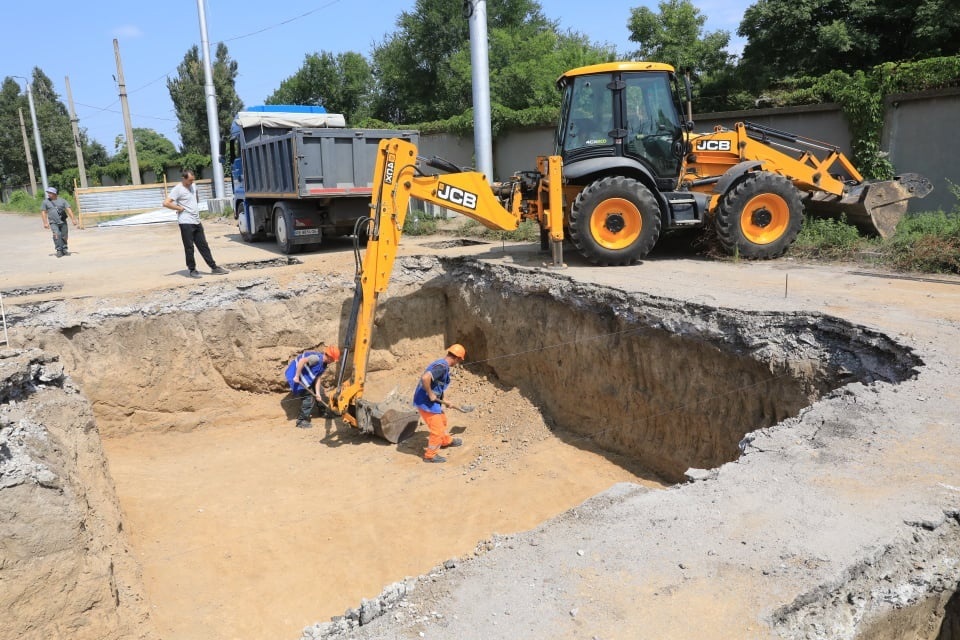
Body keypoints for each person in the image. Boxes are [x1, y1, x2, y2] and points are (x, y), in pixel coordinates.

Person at [163, 170, 229, 278]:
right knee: (189, 247)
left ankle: (214, 267)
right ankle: (192, 269)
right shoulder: (178, 189)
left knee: (204, 246)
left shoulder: (194, 186)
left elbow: (195, 199)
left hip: (196, 221)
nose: (191, 182)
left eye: (193, 180)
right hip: (185, 222)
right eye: (189, 180)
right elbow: (166, 203)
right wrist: (179, 208)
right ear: (183, 178)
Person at [412, 344, 466, 463]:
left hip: (431, 401)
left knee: (442, 420)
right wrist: (431, 394)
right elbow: (425, 378)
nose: (458, 363)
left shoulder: (442, 365)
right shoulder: (441, 366)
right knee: (437, 429)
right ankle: (430, 455)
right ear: (456, 358)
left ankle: (446, 441)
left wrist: (444, 401)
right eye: (459, 361)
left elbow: (437, 387)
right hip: (425, 402)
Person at [284, 345, 341, 429]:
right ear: (328, 356)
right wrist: (296, 376)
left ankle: (323, 412)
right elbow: (302, 361)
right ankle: (301, 420)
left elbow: (317, 378)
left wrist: (318, 394)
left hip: (307, 377)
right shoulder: (316, 358)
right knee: (309, 398)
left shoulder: (324, 364)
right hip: (297, 376)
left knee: (320, 392)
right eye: (332, 359)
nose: (332, 361)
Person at [40, 187, 78, 258]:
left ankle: (64, 249)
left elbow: (68, 209)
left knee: (64, 236)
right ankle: (59, 250)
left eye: (50, 193)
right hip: (53, 222)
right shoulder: (45, 202)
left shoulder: (62, 201)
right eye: (48, 193)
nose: (48, 194)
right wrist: (45, 222)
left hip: (63, 222)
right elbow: (43, 212)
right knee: (57, 235)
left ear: (54, 193)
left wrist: (73, 219)